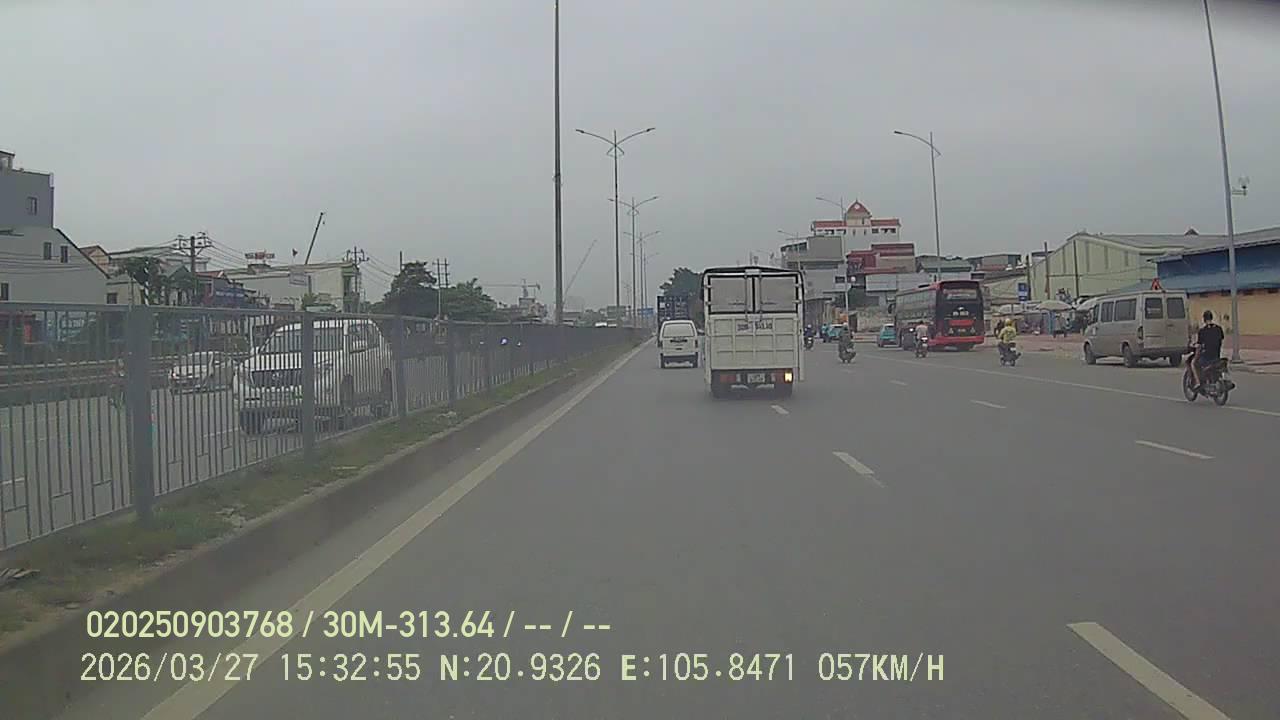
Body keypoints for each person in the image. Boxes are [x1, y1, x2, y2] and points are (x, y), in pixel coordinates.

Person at [1190, 309, 1225, 392]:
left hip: (1207, 357)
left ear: (1204, 319)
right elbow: (1221, 339)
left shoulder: (1202, 331)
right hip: (1217, 356)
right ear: (1212, 318)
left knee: (1194, 363)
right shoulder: (1219, 328)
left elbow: (1199, 345)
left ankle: (1198, 382)